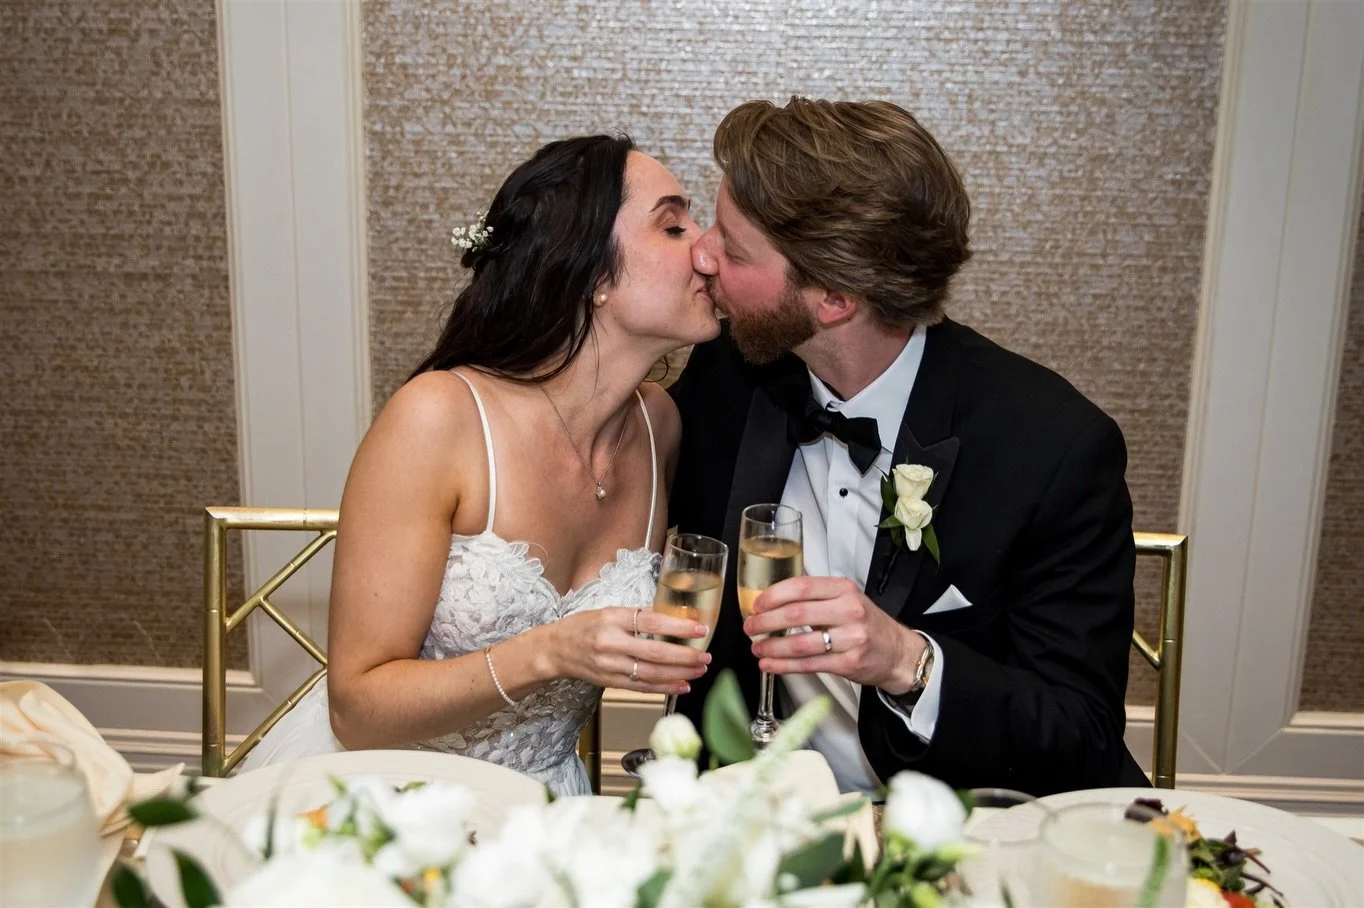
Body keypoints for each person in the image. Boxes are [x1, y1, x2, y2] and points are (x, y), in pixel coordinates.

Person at [670, 98, 1148, 796]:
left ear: (834, 299)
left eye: (734, 248)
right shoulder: (729, 376)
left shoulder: (1053, 448)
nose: (702, 252)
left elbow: (1080, 731)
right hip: (756, 822)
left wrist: (906, 660)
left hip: (956, 830)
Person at [241, 135, 720, 795]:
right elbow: (356, 709)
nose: (708, 248)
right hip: (389, 796)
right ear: (591, 275)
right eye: (673, 225)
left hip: (547, 803)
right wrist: (550, 650)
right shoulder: (438, 418)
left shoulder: (657, 424)